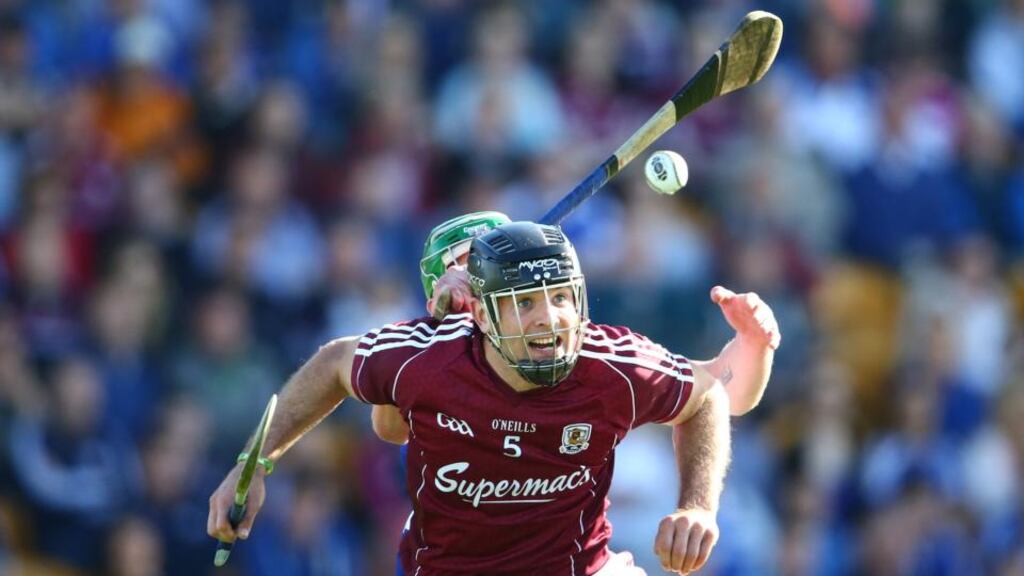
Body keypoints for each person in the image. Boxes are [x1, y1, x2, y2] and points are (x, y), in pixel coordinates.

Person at [208, 221, 780, 575]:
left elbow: (708, 395)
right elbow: (341, 368)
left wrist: (697, 505)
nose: (549, 318)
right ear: (481, 314)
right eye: (524, 302)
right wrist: (255, 462)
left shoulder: (611, 364)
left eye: (560, 297)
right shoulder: (430, 357)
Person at [374, 211, 781, 447]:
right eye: (469, 266)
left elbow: (722, 393)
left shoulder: (577, 350)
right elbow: (391, 428)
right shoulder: (429, 366)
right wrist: (438, 324)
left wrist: (753, 343)